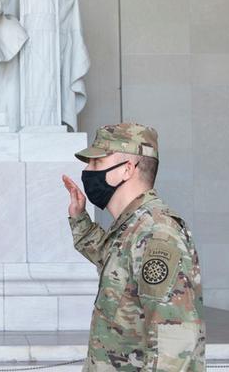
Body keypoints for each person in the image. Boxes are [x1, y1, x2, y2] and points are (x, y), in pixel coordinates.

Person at [63, 122, 205, 371]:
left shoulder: (157, 233)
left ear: (127, 169)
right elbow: (116, 264)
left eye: (97, 163)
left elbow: (174, 344)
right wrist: (80, 220)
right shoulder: (133, 226)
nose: (87, 170)